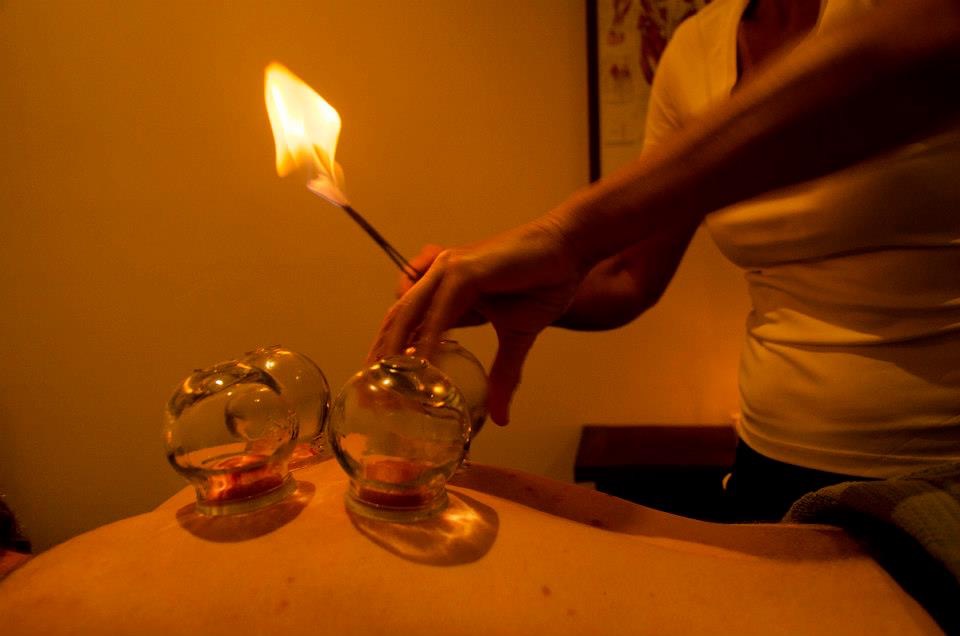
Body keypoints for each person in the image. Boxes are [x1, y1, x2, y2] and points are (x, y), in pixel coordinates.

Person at [373, 0, 960, 520]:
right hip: (769, 462)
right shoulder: (697, 46)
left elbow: (905, 56)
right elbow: (629, 276)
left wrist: (567, 234)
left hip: (938, 473)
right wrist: (503, 287)